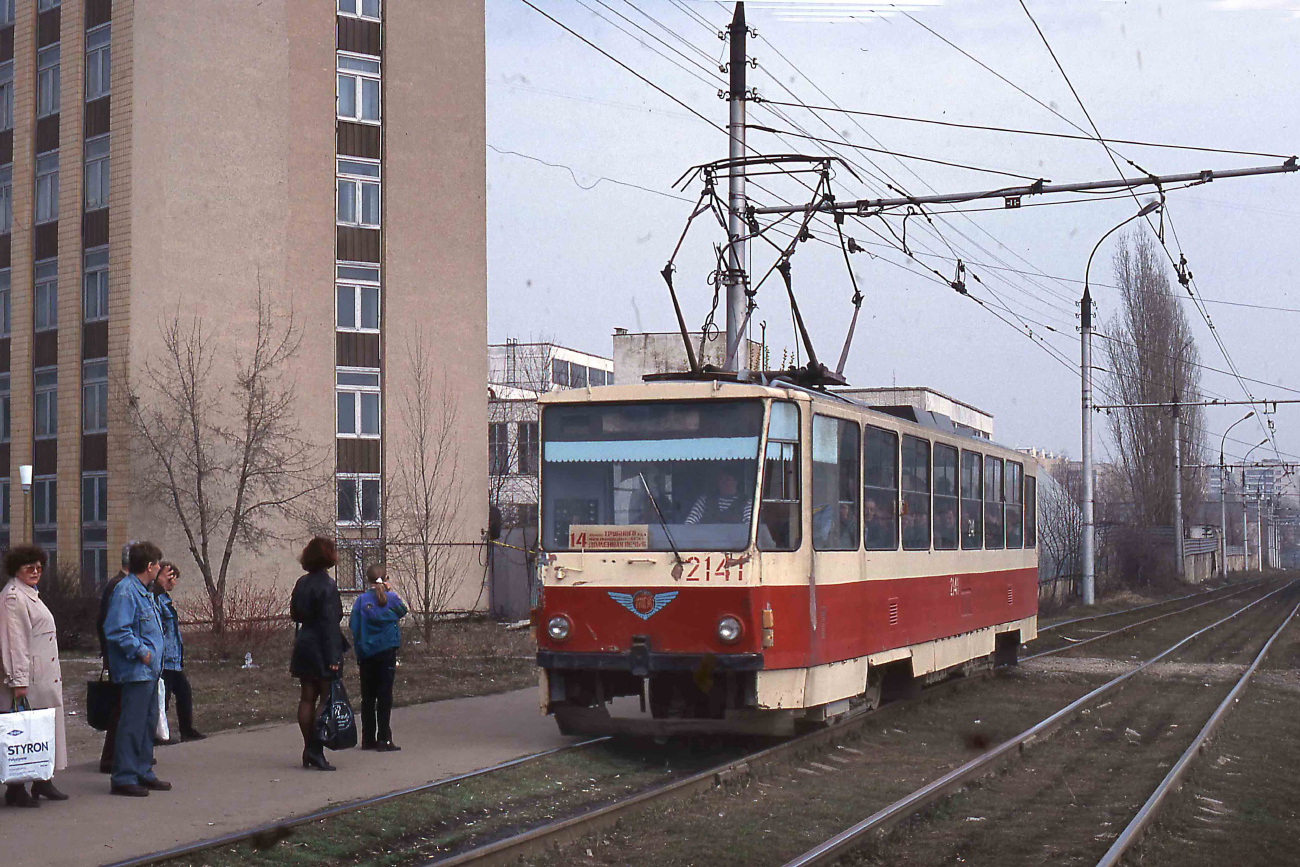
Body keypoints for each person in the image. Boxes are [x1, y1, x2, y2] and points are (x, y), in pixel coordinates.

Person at [0, 546, 69, 806]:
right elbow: (13, 641)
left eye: (39, 567)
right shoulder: (14, 597)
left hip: (43, 674)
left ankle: (43, 780)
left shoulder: (32, 595)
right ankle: (16, 788)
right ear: (16, 569)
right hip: (29, 676)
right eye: (29, 567)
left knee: (42, 730)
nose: (36, 572)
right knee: (22, 733)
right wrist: (18, 680)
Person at [102, 541, 171, 797]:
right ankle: (124, 776)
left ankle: (143, 770)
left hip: (150, 672)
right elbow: (117, 630)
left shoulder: (145, 591)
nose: (159, 569)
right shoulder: (126, 591)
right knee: (132, 724)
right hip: (136, 670)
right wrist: (142, 652)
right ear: (150, 566)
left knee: (147, 723)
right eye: (157, 565)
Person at [290, 537, 349, 771]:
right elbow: (330, 623)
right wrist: (334, 657)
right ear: (328, 555)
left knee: (307, 697)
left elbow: (295, 614)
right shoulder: (328, 585)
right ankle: (316, 749)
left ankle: (308, 749)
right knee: (326, 699)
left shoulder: (302, 582)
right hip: (322, 646)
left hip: (304, 643)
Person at [349, 564, 408, 751]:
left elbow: (354, 625)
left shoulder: (360, 601)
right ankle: (384, 738)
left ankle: (368, 738)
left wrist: (360, 646)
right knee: (384, 694)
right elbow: (403, 610)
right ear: (386, 578)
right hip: (387, 650)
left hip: (366, 652)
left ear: (368, 580)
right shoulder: (391, 599)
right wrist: (390, 591)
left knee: (368, 696)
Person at [152, 562, 205, 745]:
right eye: (170, 577)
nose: (173, 582)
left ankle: (186, 729)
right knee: (163, 698)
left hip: (173, 658)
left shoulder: (164, 598)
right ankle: (155, 734)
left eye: (174, 578)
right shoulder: (154, 596)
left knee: (183, 691)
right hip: (163, 658)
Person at [97, 542, 135, 773]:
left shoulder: (122, 584)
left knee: (124, 708)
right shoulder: (120, 586)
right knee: (119, 709)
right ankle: (110, 758)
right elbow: (109, 624)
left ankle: (121, 755)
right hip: (121, 658)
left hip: (119, 657)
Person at [685, 470, 752, 525]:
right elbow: (689, 524)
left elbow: (749, 528)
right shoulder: (704, 500)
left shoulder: (746, 502)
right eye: (720, 479)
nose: (723, 483)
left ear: (735, 482)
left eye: (727, 479)